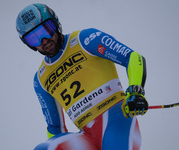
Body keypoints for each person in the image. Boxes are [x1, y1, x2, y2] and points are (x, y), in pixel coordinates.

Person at [16, 3, 148, 150]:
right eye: (34, 39)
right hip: (86, 136)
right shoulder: (40, 80)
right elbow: (55, 128)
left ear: (56, 24)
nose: (44, 41)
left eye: (46, 30)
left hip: (116, 119)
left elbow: (132, 57)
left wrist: (136, 92)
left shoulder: (85, 40)